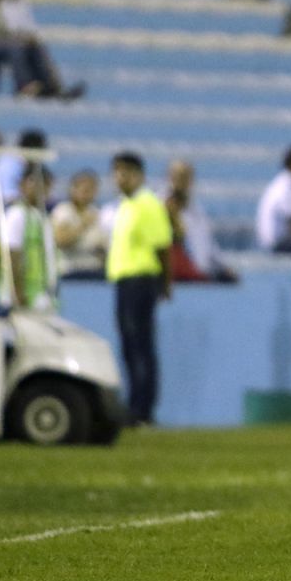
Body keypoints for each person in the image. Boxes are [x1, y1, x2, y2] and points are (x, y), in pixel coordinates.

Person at [106, 151, 173, 427]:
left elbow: (163, 246)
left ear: (137, 174)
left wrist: (165, 284)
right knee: (130, 346)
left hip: (140, 281)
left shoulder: (148, 204)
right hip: (124, 282)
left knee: (140, 346)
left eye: (123, 172)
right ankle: (136, 406)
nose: (118, 178)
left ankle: (142, 410)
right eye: (116, 172)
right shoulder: (125, 205)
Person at [0, 0, 84, 100]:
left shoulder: (18, 2)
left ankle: (53, 87)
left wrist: (30, 37)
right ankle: (24, 87)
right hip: (3, 42)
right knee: (16, 48)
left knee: (37, 47)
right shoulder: (1, 1)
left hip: (12, 40)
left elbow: (27, 26)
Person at [163, 160, 237, 283]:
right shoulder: (158, 208)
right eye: (176, 176)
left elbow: (210, 246)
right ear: (168, 178)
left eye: (185, 177)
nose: (180, 181)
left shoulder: (196, 211)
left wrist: (223, 267)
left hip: (198, 275)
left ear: (191, 181)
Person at [5, 162, 56, 309]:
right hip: (22, 296)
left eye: (46, 184)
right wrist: (18, 294)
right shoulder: (17, 215)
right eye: (34, 183)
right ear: (22, 185)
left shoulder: (43, 217)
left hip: (42, 294)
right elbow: (12, 256)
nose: (40, 189)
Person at [51, 169, 107, 279]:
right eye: (84, 189)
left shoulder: (97, 213)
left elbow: (103, 246)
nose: (87, 193)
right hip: (69, 272)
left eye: (91, 189)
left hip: (94, 271)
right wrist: (83, 225)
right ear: (73, 189)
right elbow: (60, 240)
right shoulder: (63, 210)